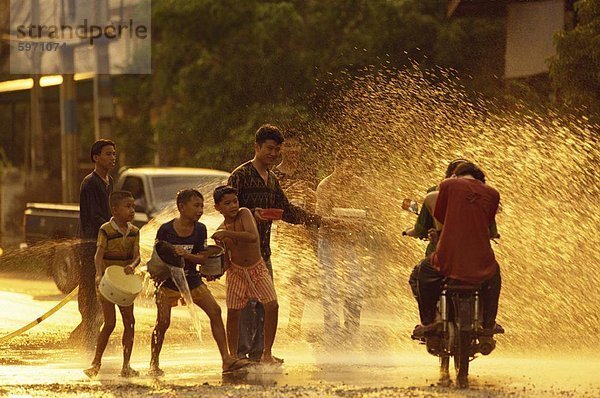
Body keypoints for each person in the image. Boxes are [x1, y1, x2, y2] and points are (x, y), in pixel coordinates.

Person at [227, 124, 320, 361]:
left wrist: (321, 221)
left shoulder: (272, 180)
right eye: (269, 148)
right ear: (257, 147)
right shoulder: (240, 175)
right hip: (241, 254)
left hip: (263, 252)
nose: (273, 153)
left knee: (266, 304)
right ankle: (240, 353)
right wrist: (249, 215)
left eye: (277, 149)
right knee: (244, 305)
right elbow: (227, 210)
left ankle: (261, 352)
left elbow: (286, 210)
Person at [149, 189, 249, 376]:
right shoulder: (166, 230)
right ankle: (153, 363)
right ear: (181, 207)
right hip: (167, 283)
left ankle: (226, 360)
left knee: (215, 311)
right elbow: (158, 257)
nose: (200, 210)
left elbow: (203, 259)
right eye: (196, 206)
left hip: (192, 280)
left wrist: (186, 255)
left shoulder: (200, 229)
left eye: (202, 206)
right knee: (163, 322)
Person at [413, 162, 502, 335]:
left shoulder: (447, 185)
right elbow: (488, 222)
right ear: (481, 181)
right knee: (495, 275)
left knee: (423, 271)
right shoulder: (493, 193)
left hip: (448, 259)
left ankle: (428, 322)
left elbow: (439, 216)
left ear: (455, 175)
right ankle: (488, 324)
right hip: (481, 262)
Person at [212, 185, 281, 364]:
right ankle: (233, 356)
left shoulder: (244, 214)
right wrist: (215, 271)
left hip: (257, 269)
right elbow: (226, 260)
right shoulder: (221, 230)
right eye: (227, 203)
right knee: (233, 312)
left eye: (235, 201)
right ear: (217, 207)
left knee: (272, 306)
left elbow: (252, 236)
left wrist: (225, 233)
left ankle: (267, 353)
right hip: (236, 272)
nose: (233, 206)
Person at [315, 147, 372, 342]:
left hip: (349, 242)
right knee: (330, 286)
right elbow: (319, 216)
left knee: (355, 286)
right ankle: (332, 330)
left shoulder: (359, 185)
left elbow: (370, 214)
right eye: (346, 168)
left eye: (353, 169)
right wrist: (339, 222)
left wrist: (360, 224)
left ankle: (351, 329)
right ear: (337, 166)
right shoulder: (325, 186)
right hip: (328, 241)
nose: (349, 173)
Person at [84, 191, 140, 378]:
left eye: (133, 206)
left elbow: (137, 255)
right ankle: (95, 363)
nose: (132, 210)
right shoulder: (105, 230)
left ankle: (126, 366)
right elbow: (98, 255)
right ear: (114, 209)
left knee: (130, 322)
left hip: (124, 283)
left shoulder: (134, 231)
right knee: (109, 323)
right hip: (108, 283)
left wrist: (132, 266)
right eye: (127, 206)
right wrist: (98, 275)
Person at [272, 129, 319, 335]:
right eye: (289, 146)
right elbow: (272, 203)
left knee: (302, 277)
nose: (293, 150)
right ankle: (282, 319)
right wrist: (288, 196)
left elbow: (315, 202)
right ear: (281, 149)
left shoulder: (308, 171)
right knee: (287, 276)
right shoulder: (275, 174)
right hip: (284, 231)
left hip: (304, 231)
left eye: (297, 146)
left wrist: (311, 196)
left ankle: (295, 322)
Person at [71, 139, 116, 347]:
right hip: (91, 244)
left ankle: (90, 333)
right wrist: (114, 227)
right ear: (96, 158)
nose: (112, 158)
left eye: (113, 154)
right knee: (89, 288)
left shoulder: (110, 181)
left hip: (104, 243)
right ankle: (86, 335)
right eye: (108, 154)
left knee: (103, 290)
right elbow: (94, 217)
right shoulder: (89, 183)